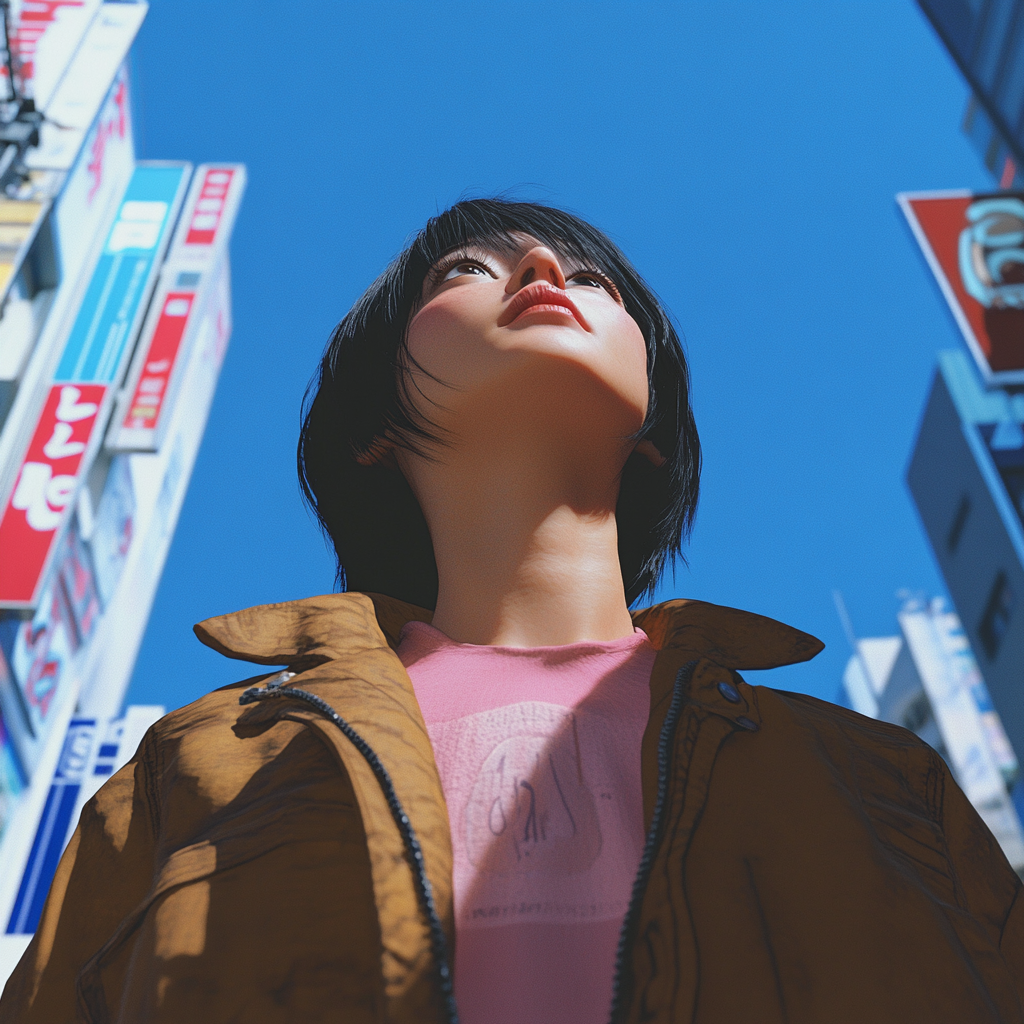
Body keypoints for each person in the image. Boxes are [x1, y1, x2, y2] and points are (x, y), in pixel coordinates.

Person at [2, 198, 1023, 1024]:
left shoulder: (878, 778)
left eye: (592, 280)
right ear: (371, 430)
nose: (541, 263)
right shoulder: (203, 761)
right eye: (466, 271)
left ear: (655, 430)